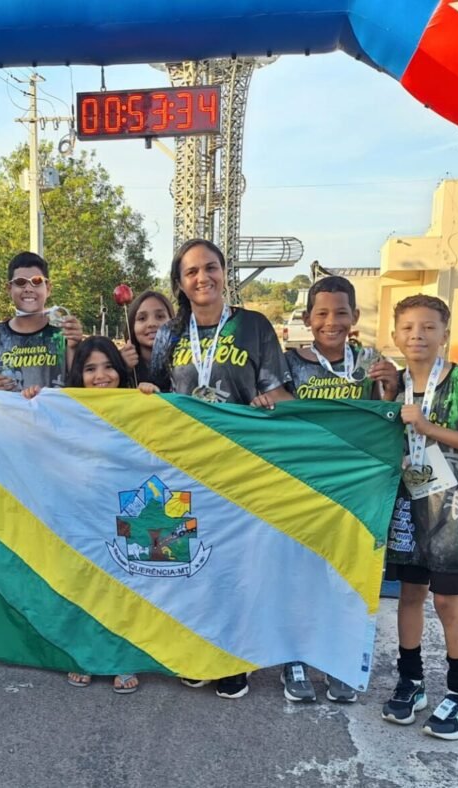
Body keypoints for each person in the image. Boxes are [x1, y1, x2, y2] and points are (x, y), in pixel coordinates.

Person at [151, 238, 293, 699]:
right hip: (186, 465)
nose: (202, 278)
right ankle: (196, 649)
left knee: (235, 564)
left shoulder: (253, 326)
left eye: (210, 267)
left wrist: (272, 400)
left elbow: (284, 393)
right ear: (180, 282)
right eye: (191, 272)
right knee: (190, 561)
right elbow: (152, 395)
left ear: (224, 271)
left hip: (243, 466)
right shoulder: (170, 333)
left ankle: (234, 658)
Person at [381, 294, 458, 740]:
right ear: (395, 335)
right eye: (409, 327)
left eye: (429, 327)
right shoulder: (392, 382)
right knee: (409, 595)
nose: (418, 335)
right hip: (408, 505)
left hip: (455, 508)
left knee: (447, 601)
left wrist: (429, 428)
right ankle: (411, 681)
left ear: (445, 334)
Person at [280, 276, 399, 704]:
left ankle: (340, 661)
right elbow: (276, 411)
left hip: (356, 492)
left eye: (341, 313)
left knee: (345, 579)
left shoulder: (371, 361)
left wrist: (391, 387)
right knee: (300, 575)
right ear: (309, 319)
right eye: (323, 313)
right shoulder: (289, 363)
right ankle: (293, 658)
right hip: (303, 486)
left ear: (355, 318)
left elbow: (390, 416)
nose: (332, 322)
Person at [59, 336, 137, 692]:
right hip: (83, 508)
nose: (101, 376)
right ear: (79, 375)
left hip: (124, 506)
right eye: (90, 369)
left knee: (125, 581)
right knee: (85, 581)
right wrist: (33, 401)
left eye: (108, 366)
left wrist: (151, 395)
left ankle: (123, 656)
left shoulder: (136, 402)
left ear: (121, 370)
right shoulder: (68, 407)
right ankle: (84, 654)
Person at [0, 252, 83, 397]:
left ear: (48, 288)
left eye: (36, 281)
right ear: (9, 288)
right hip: (10, 417)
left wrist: (75, 346)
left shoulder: (64, 331)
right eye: (20, 282)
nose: (28, 288)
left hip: (54, 417)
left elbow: (80, 383)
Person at [119, 290, 174, 391]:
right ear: (132, 326)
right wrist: (122, 369)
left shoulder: (186, 361)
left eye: (160, 316)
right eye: (142, 318)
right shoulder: (118, 363)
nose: (152, 324)